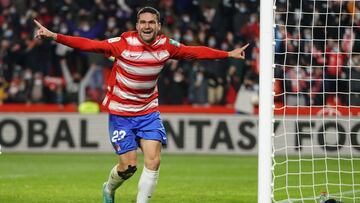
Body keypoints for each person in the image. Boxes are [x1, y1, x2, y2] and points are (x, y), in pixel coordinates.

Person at [34, 6, 249, 203]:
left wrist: (228, 54)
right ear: (137, 26)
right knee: (128, 167)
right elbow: (90, 45)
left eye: (151, 22)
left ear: (158, 26)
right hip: (120, 112)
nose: (147, 26)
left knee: (153, 161)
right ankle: (109, 188)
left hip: (148, 111)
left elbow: (194, 52)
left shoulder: (166, 46)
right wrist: (54, 36)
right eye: (143, 22)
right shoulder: (123, 43)